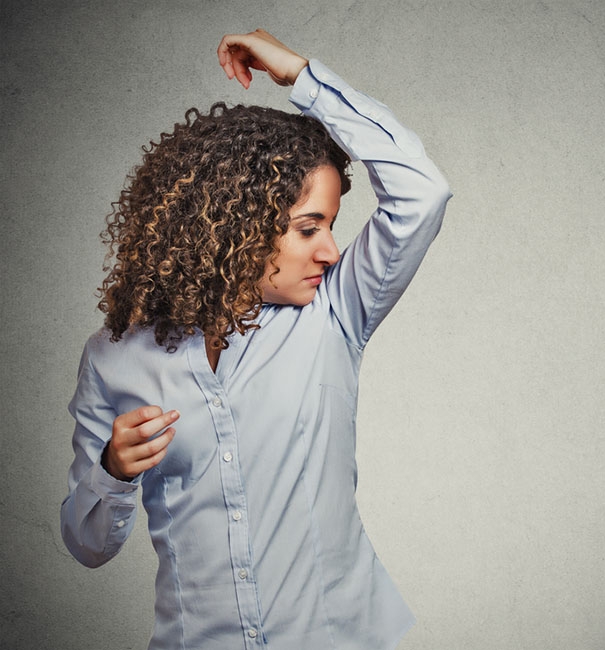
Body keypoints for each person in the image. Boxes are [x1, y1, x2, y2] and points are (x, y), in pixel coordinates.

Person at [60, 29, 451, 649]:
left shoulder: (334, 312)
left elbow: (422, 192)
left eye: (330, 225)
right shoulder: (114, 359)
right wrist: (112, 472)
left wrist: (302, 77)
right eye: (305, 228)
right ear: (236, 227)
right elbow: (87, 545)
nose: (329, 249)